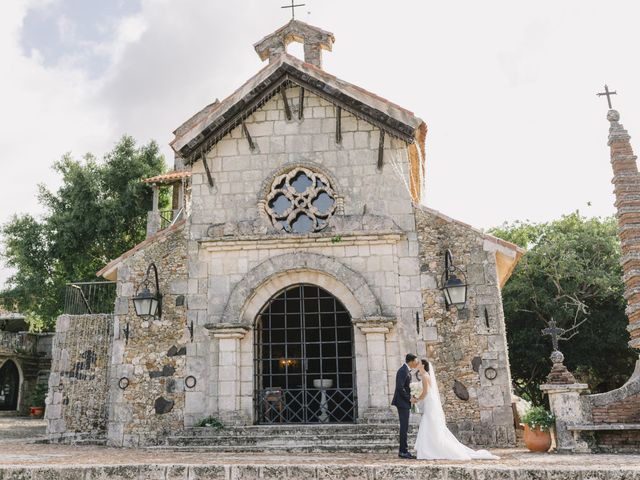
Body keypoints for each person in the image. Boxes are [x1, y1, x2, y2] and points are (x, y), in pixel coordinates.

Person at [414, 359, 500, 460]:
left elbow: (424, 393)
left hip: (429, 403)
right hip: (430, 402)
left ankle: (432, 449)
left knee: (429, 423)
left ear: (423, 365)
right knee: (430, 424)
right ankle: (431, 447)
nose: (417, 364)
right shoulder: (426, 376)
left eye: (419, 363)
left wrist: (416, 399)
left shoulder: (424, 376)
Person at [391, 353, 420, 459]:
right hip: (402, 402)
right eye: (416, 361)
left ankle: (403, 450)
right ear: (411, 361)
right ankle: (403, 451)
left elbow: (406, 387)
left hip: (404, 402)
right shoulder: (403, 371)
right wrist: (409, 398)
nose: (417, 363)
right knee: (404, 427)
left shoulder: (406, 370)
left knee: (405, 427)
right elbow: (400, 387)